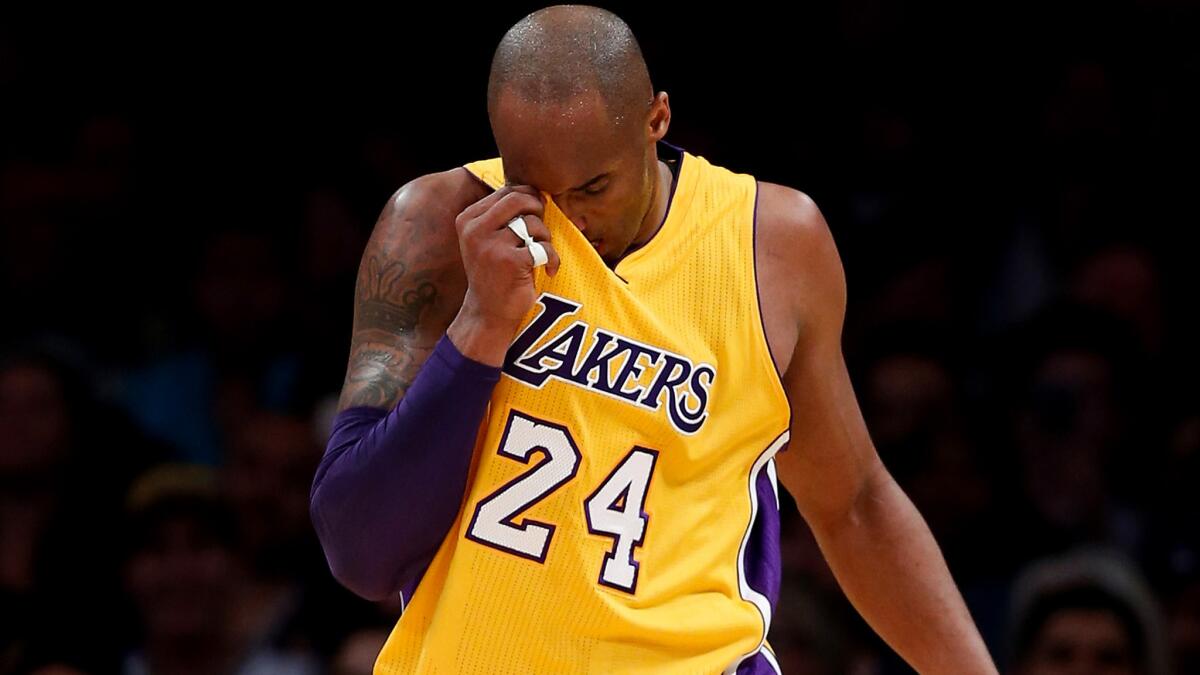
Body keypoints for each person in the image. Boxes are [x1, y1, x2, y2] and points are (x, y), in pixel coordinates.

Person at [310, 5, 996, 673]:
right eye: (537, 189)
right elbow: (358, 550)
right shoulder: (439, 223)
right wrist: (479, 329)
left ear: (657, 118)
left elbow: (853, 505)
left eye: (593, 187)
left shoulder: (773, 245)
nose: (570, 221)